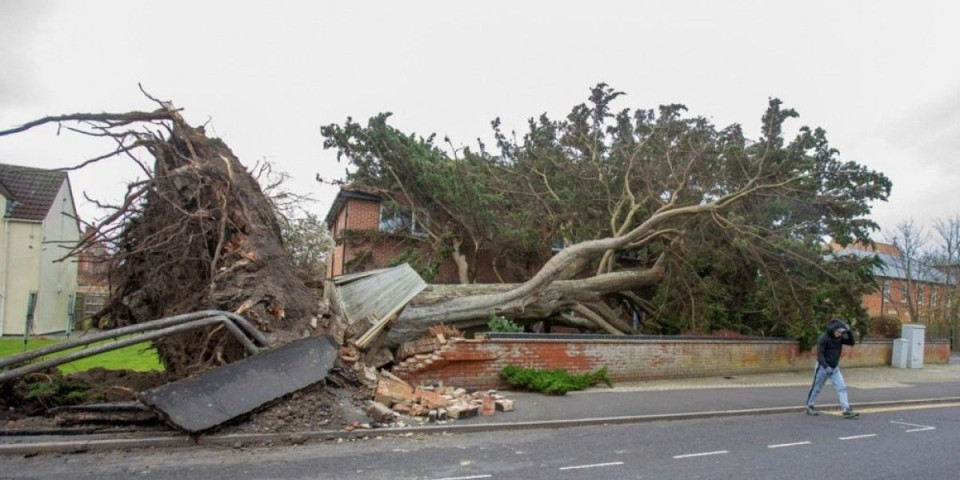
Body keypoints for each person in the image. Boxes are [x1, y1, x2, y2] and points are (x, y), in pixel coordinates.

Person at [805, 319, 859, 418]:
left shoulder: (840, 338)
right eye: (838, 332)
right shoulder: (824, 338)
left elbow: (851, 343)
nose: (839, 334)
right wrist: (826, 366)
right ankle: (809, 406)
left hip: (834, 368)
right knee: (816, 388)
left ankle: (846, 409)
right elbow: (820, 355)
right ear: (833, 330)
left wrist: (848, 331)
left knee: (842, 387)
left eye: (841, 332)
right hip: (823, 367)